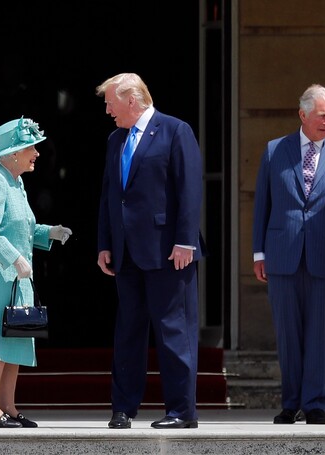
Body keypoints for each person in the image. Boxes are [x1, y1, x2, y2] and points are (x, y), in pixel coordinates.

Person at [252, 84, 325, 425]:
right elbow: (262, 206)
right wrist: (259, 253)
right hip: (282, 255)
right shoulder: (275, 151)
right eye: (322, 115)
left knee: (319, 333)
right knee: (288, 333)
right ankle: (290, 403)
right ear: (302, 115)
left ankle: (316, 403)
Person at [95, 73, 204, 429]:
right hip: (127, 252)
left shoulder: (175, 131)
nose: (108, 109)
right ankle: (123, 407)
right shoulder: (115, 139)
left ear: (131, 99)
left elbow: (189, 189)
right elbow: (110, 196)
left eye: (111, 102)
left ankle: (181, 411)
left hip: (168, 251)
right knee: (128, 332)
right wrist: (105, 243)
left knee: (174, 331)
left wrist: (186, 240)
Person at [0, 117, 72, 428]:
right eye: (31, 147)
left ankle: (7, 405)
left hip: (15, 277)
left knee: (16, 338)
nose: (37, 153)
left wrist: (49, 233)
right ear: (13, 152)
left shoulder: (16, 182)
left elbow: (22, 227)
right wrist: (14, 258)